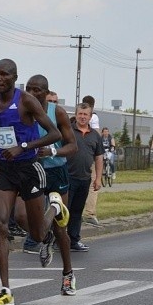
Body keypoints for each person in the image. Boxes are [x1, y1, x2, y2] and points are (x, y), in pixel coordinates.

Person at [0, 59, 67, 305]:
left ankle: (55, 207)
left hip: (29, 168)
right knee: (0, 223)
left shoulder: (26, 101)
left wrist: (23, 147)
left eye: (4, 74)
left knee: (39, 233)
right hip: (5, 169)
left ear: (14, 77)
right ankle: (6, 291)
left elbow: (55, 134)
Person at [20, 75, 78, 295]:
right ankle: (45, 237)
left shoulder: (58, 112)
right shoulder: (22, 111)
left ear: (46, 93)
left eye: (37, 90)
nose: (32, 94)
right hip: (30, 170)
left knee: (60, 227)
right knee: (22, 217)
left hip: (55, 171)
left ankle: (67, 274)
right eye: (29, 89)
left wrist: (53, 150)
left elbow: (73, 146)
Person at [67, 102, 103, 252]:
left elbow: (99, 157)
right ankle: (58, 240)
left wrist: (98, 178)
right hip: (67, 177)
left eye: (85, 114)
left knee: (77, 211)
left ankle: (74, 240)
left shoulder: (95, 135)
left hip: (84, 178)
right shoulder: (67, 131)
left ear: (90, 116)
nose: (82, 117)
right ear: (76, 114)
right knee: (64, 211)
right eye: (80, 114)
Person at [81, 95, 101, 226]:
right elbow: (97, 135)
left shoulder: (78, 116)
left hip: (77, 155)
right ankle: (89, 213)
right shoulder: (93, 117)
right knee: (93, 184)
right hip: (91, 154)